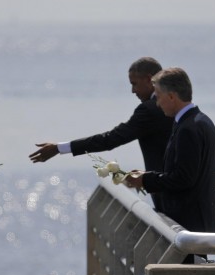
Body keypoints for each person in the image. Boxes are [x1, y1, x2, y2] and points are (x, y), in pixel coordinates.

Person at [28, 57, 173, 210]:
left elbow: (111, 140)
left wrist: (59, 148)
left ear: (149, 80)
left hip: (170, 195)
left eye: (134, 84)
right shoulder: (172, 104)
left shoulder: (150, 109)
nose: (132, 91)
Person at [124, 67, 215, 263]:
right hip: (199, 221)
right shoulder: (201, 121)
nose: (157, 103)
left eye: (158, 97)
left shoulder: (187, 128)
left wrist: (145, 179)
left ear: (172, 97)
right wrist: (148, 176)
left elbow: (183, 178)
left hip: (189, 224)